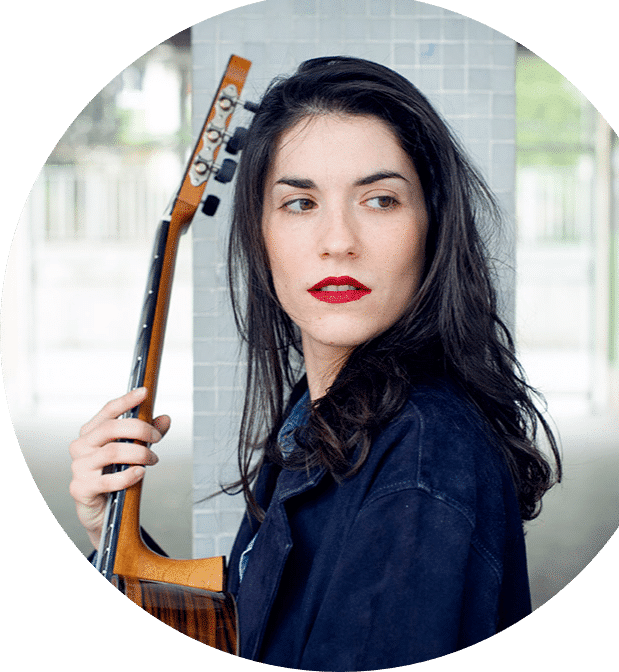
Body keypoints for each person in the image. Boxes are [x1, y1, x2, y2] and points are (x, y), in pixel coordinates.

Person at [69, 56, 561, 671]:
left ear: (432, 227)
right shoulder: (316, 414)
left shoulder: (424, 451)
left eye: (380, 200)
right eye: (300, 203)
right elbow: (245, 635)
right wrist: (115, 539)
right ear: (260, 234)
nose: (338, 241)